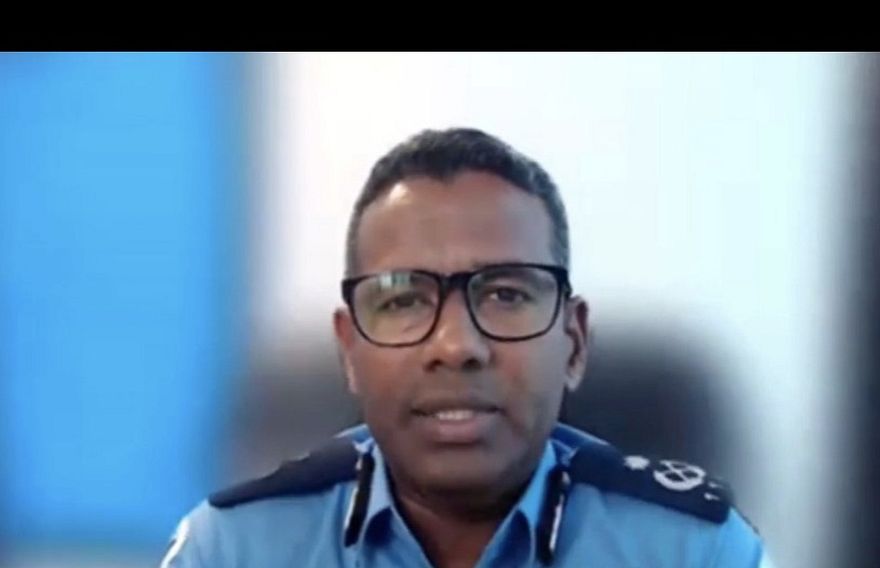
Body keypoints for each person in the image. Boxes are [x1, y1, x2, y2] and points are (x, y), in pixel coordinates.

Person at [161, 127, 770, 567]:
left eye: (505, 295)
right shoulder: (233, 551)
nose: (456, 346)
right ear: (349, 350)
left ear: (574, 342)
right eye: (404, 299)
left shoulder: (695, 552)